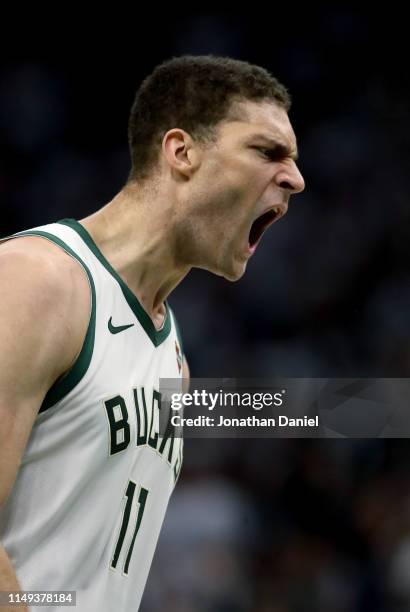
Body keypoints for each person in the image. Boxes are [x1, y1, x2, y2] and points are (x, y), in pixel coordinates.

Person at [0, 55, 305, 611]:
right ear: (181, 152)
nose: (295, 178)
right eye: (267, 151)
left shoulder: (174, 366)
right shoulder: (36, 281)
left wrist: (382, 408)